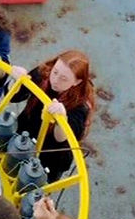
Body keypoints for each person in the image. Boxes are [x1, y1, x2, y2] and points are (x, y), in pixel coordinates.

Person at [7, 50, 96, 181]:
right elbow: (15, 96)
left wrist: (62, 118)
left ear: (77, 82)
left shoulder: (81, 106)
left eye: (64, 79)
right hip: (24, 134)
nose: (55, 80)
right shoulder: (44, 73)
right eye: (55, 72)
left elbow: (61, 138)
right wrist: (16, 80)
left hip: (48, 158)